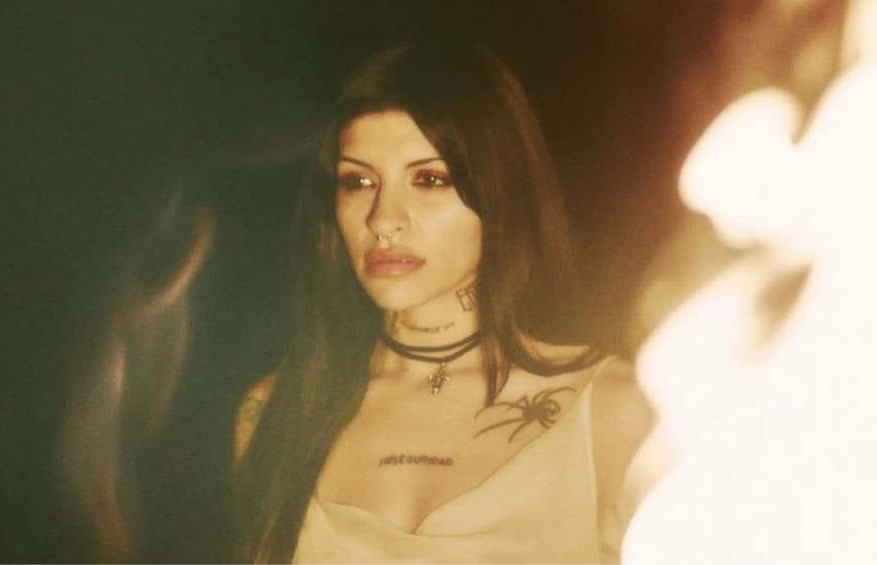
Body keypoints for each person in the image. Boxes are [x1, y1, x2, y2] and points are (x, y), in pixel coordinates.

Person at [232, 42, 653, 563]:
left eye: (429, 179)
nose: (384, 219)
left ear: (497, 190)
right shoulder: (271, 411)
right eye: (358, 181)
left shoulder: (615, 411)